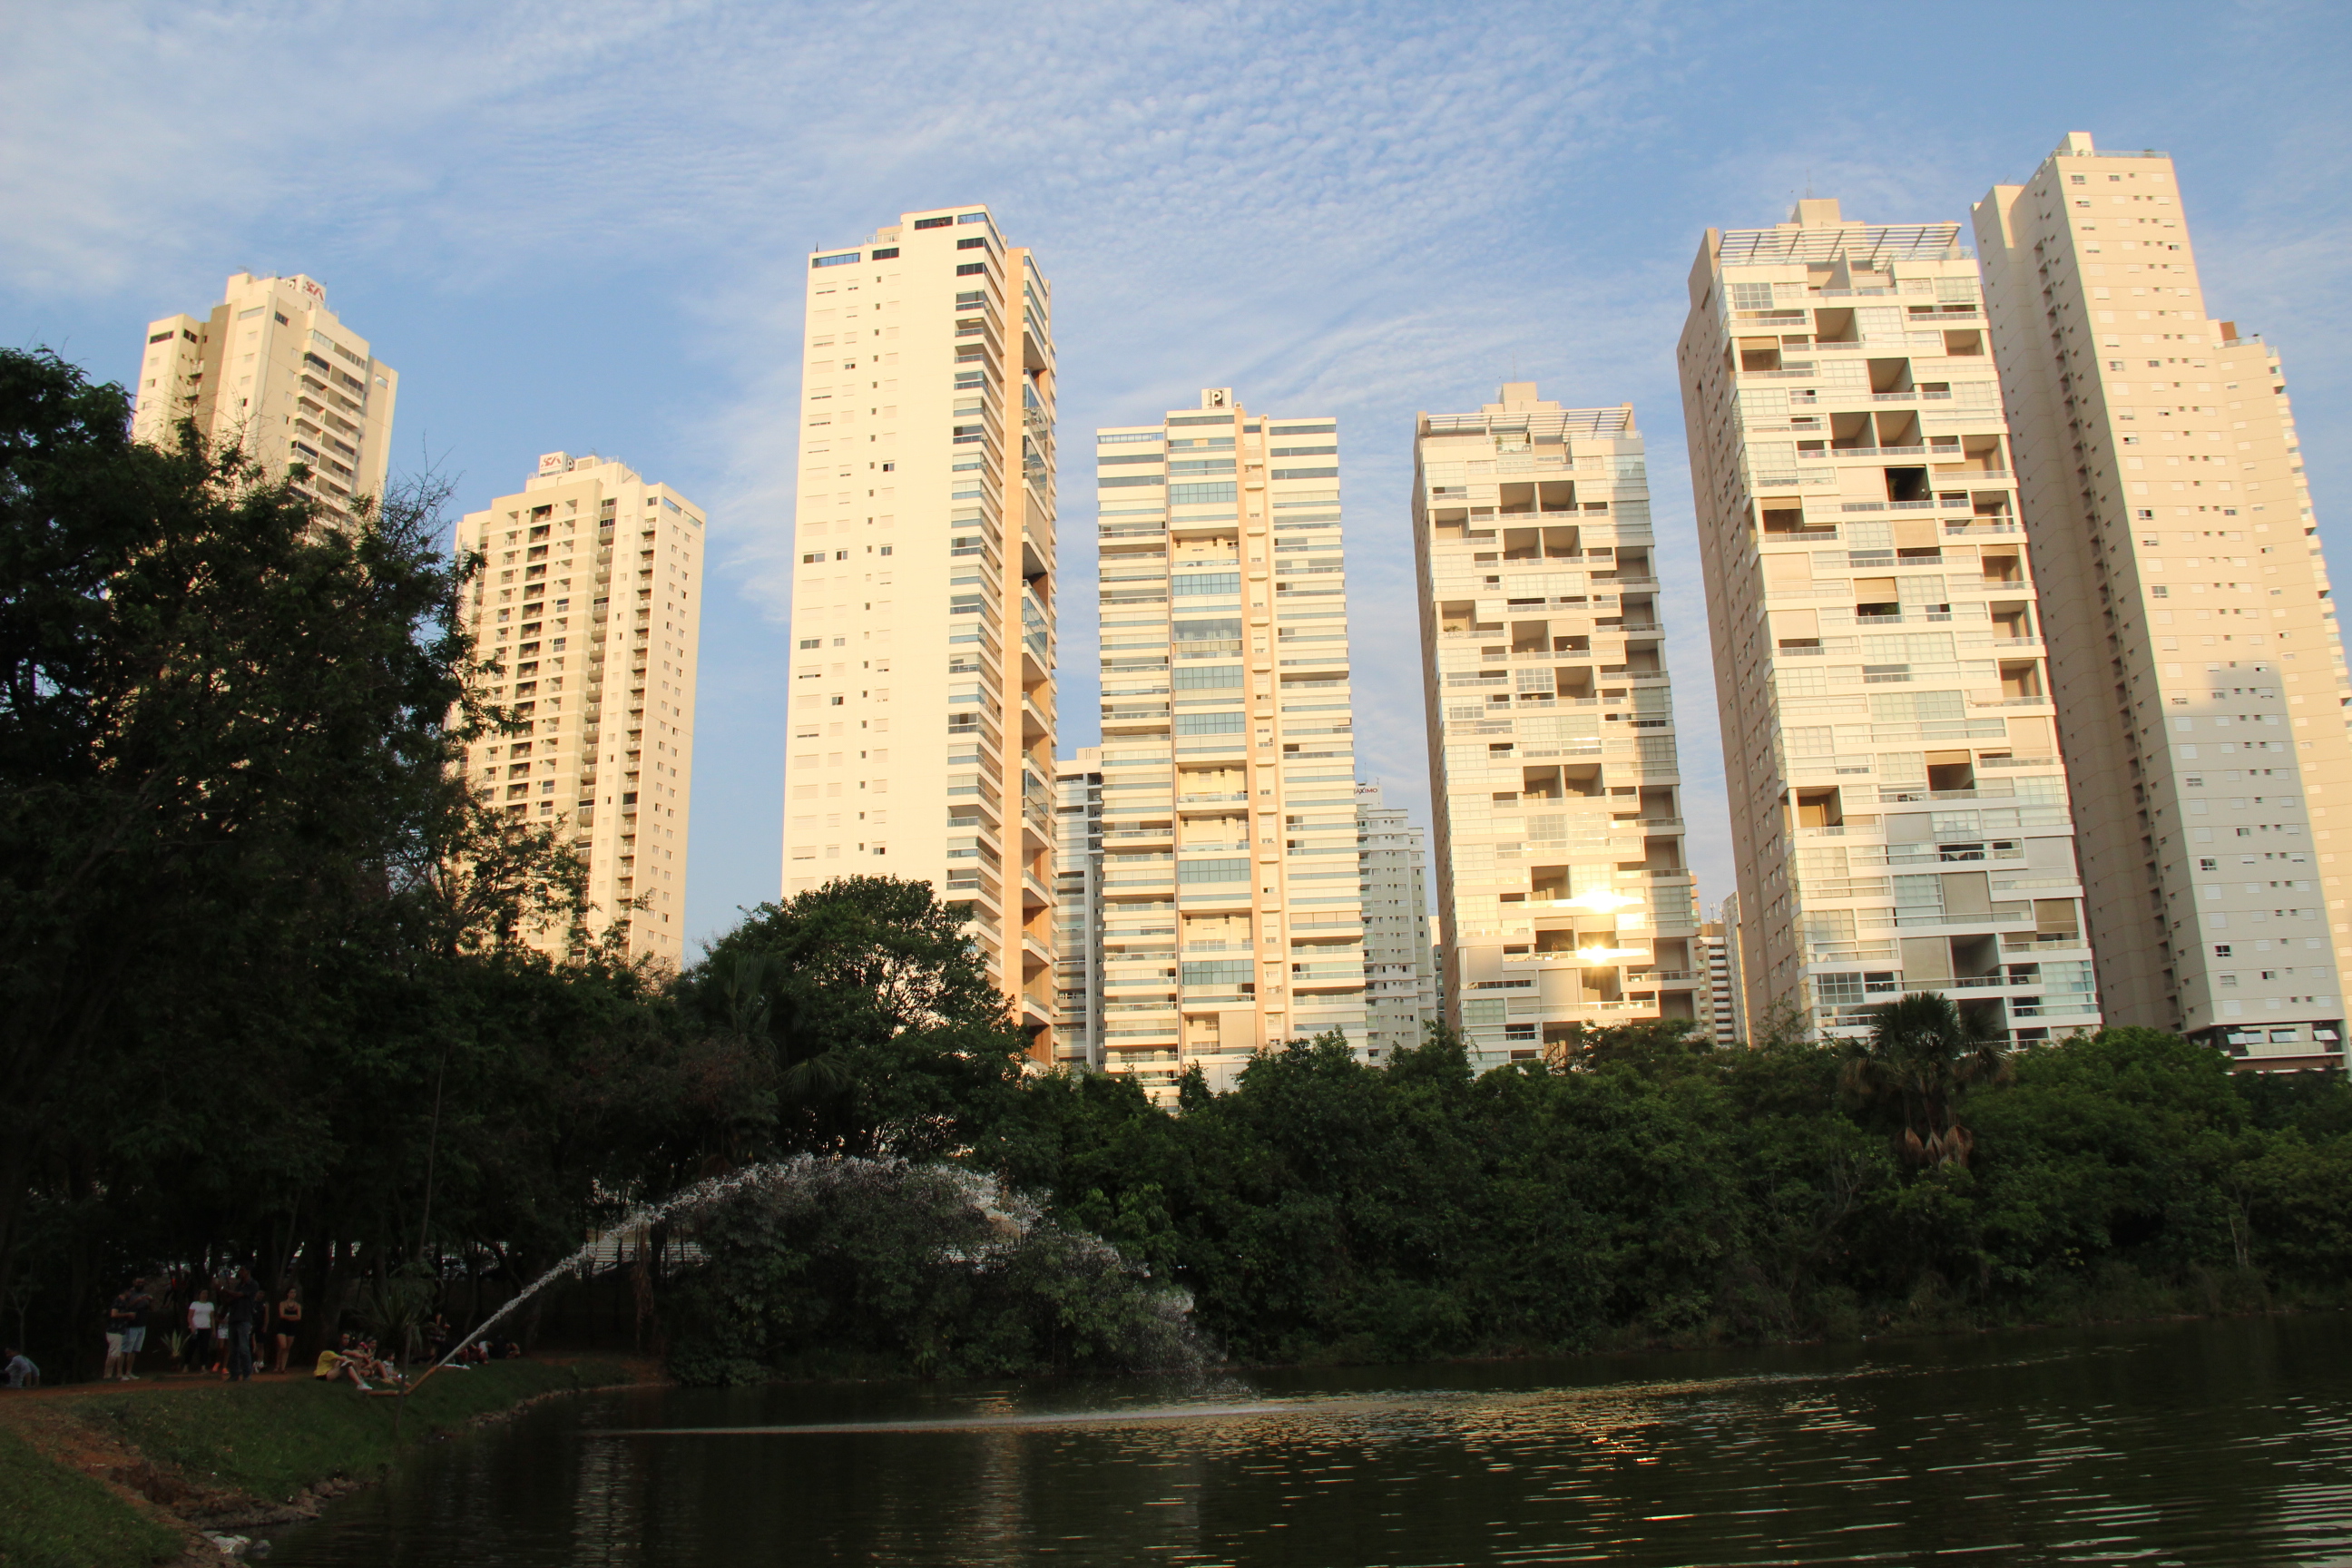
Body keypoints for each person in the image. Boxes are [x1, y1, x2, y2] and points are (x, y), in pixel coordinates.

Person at [222, 1266, 260, 1382]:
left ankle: (246, 1374)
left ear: (248, 1271)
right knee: (233, 1349)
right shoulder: (239, 1286)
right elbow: (231, 1300)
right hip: (234, 1319)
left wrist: (224, 1289)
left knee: (244, 1348)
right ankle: (234, 1374)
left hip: (244, 1319)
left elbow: (239, 1295)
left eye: (242, 1270)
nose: (240, 1272)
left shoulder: (253, 1284)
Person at [271, 1285, 303, 1374]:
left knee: (287, 1348)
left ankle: (283, 1367)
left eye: (294, 1292)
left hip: (292, 1327)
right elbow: (282, 1315)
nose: (293, 1294)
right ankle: (277, 1365)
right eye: (291, 1292)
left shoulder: (298, 1305)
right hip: (282, 1326)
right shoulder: (282, 1304)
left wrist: (288, 1317)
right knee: (282, 1345)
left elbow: (299, 1317)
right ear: (287, 1294)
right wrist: (293, 1316)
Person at [185, 1289, 216, 1374]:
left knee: (204, 1348)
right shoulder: (194, 1304)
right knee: (191, 1347)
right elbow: (189, 1316)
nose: (205, 1295)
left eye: (206, 1293)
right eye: (203, 1293)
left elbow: (212, 1318)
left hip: (206, 1328)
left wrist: (213, 1330)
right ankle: (186, 1365)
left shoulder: (210, 1305)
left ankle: (203, 1366)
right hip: (196, 1328)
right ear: (199, 1294)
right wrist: (192, 1327)